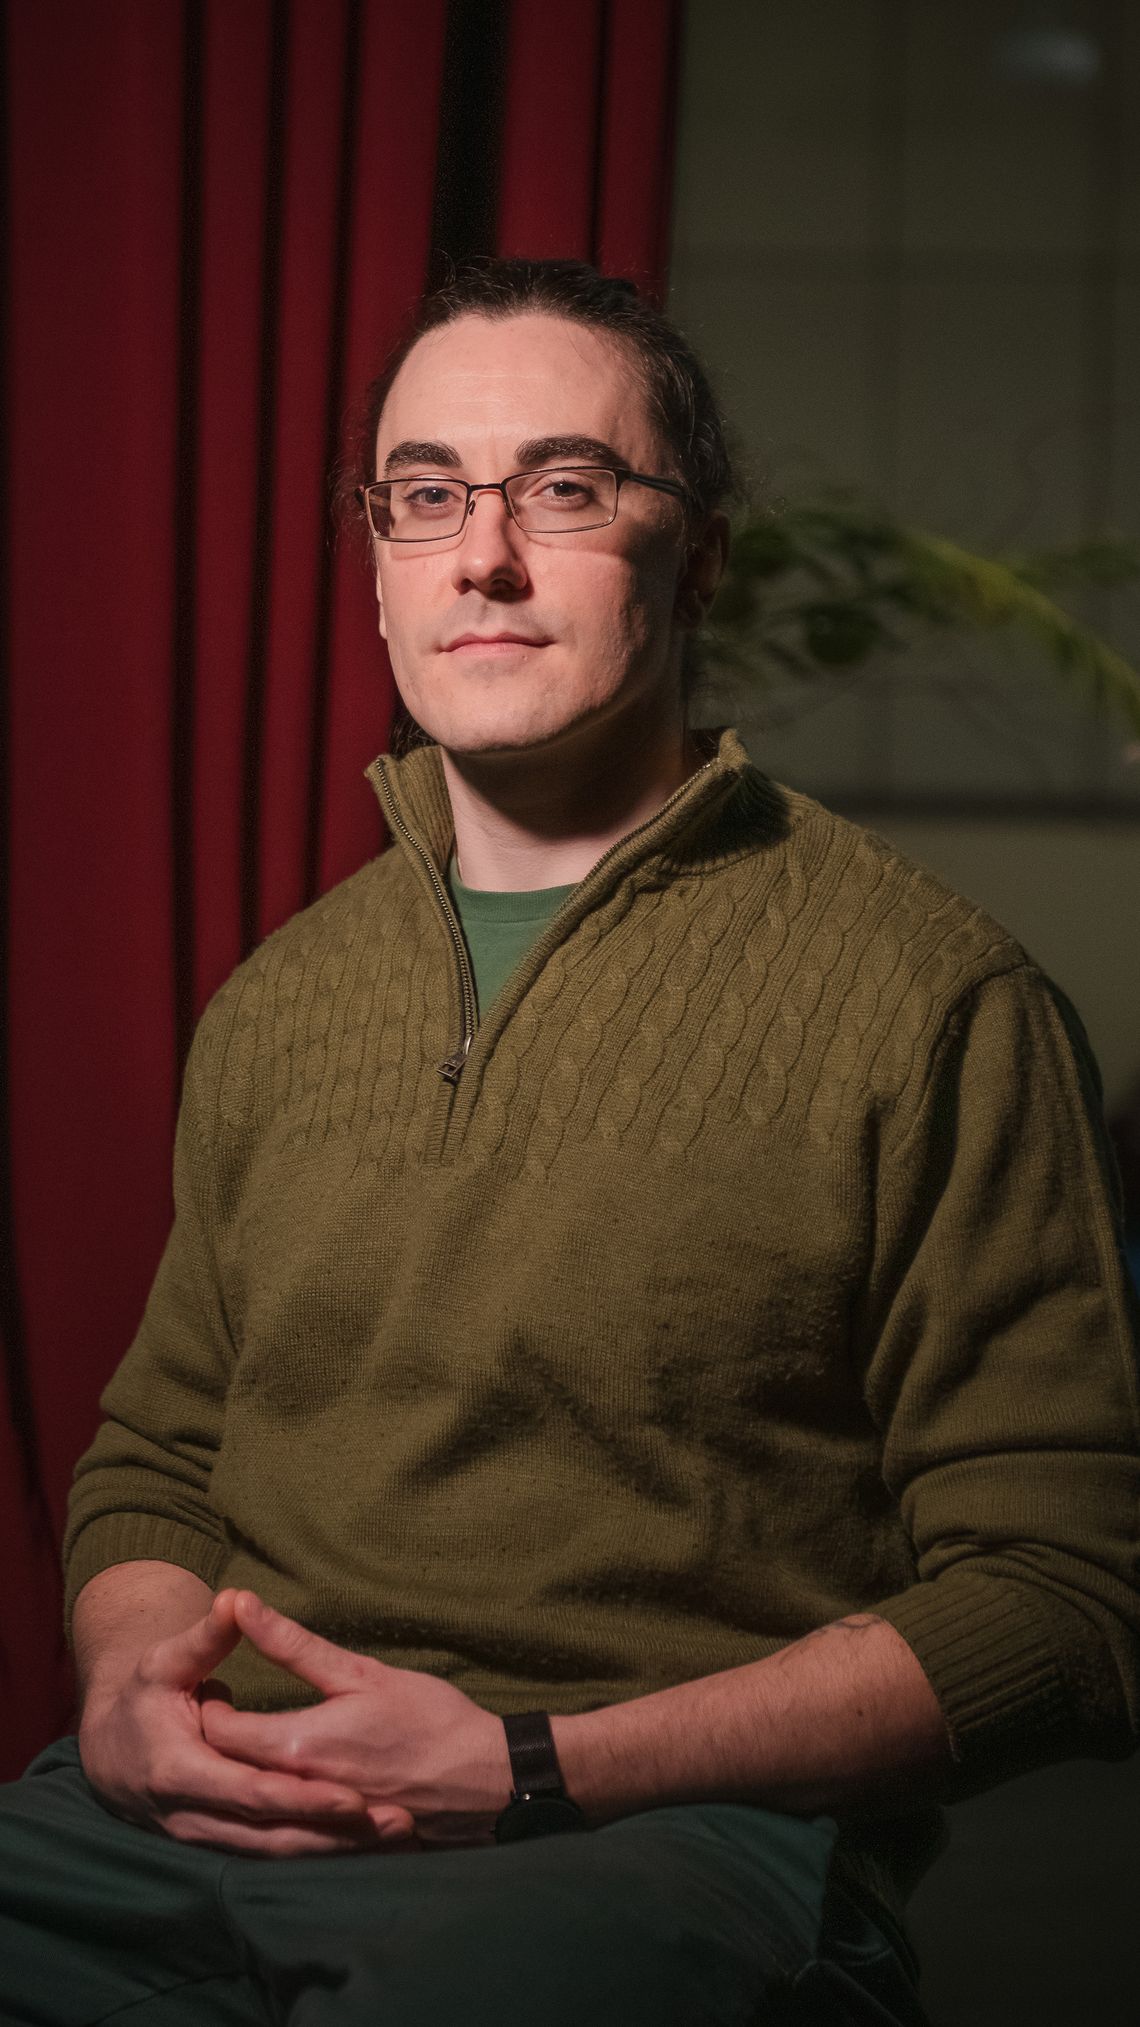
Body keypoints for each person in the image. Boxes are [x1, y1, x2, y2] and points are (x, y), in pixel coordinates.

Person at [3, 259, 1139, 2026]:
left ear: (700, 558)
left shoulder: (935, 1003)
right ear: (378, 568)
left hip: (654, 1843)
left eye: (567, 488)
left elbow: (1068, 1601)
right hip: (199, 1809)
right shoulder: (278, 1006)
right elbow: (160, 1457)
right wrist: (138, 1680)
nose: (487, 554)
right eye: (428, 494)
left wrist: (540, 1763)